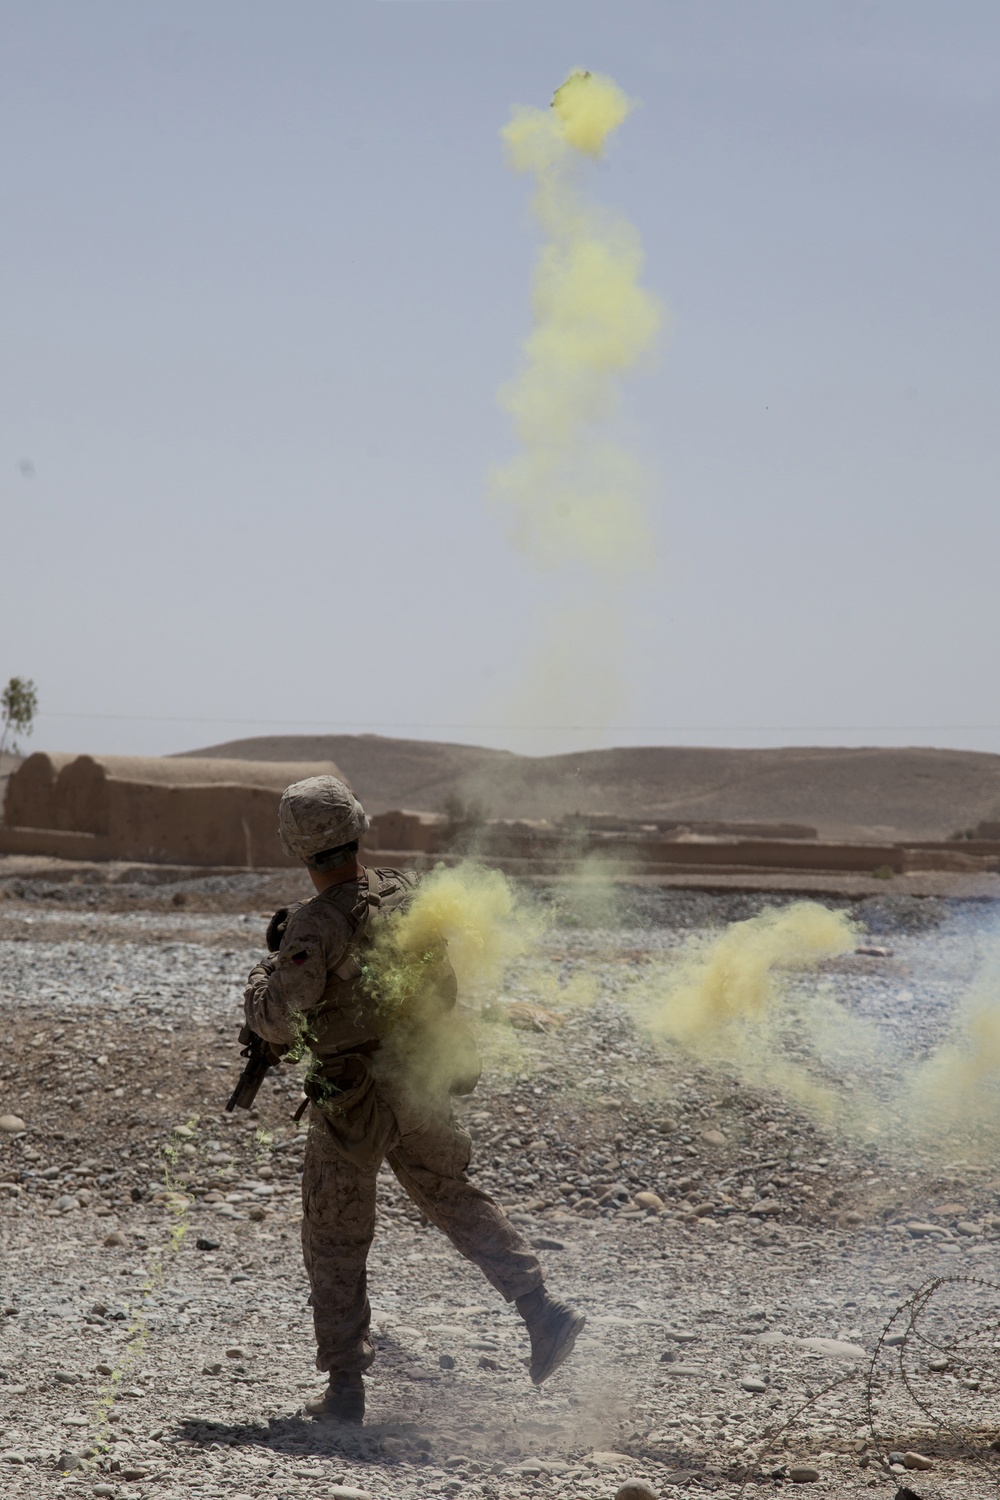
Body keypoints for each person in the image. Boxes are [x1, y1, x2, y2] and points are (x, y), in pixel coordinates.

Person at [243, 775, 585, 1423]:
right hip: (421, 1081)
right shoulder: (406, 892)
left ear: (296, 846)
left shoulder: (314, 925)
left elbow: (281, 1021)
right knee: (456, 1198)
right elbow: (443, 991)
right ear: (357, 827)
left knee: (335, 1234)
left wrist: (260, 982)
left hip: (354, 1104)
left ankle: (345, 1389)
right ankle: (542, 1312)